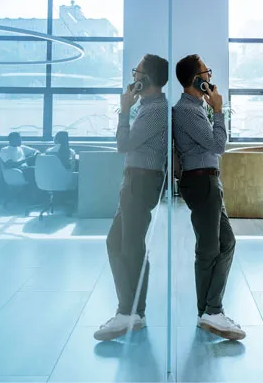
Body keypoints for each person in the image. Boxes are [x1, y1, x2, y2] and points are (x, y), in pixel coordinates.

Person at [94, 54, 169, 341]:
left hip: (141, 180)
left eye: (136, 71)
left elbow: (123, 144)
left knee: (131, 245)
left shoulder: (155, 110)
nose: (133, 75)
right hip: (135, 179)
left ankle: (129, 313)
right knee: (117, 241)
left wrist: (124, 110)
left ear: (145, 79)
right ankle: (130, 310)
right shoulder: (148, 107)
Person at [172, 54, 245, 341]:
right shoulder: (187, 110)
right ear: (196, 80)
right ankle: (211, 311)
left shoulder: (196, 107)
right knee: (208, 249)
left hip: (209, 180)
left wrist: (211, 108)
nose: (211, 78)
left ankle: (210, 311)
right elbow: (217, 144)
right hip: (201, 182)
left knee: (226, 242)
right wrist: (219, 110)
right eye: (206, 73)